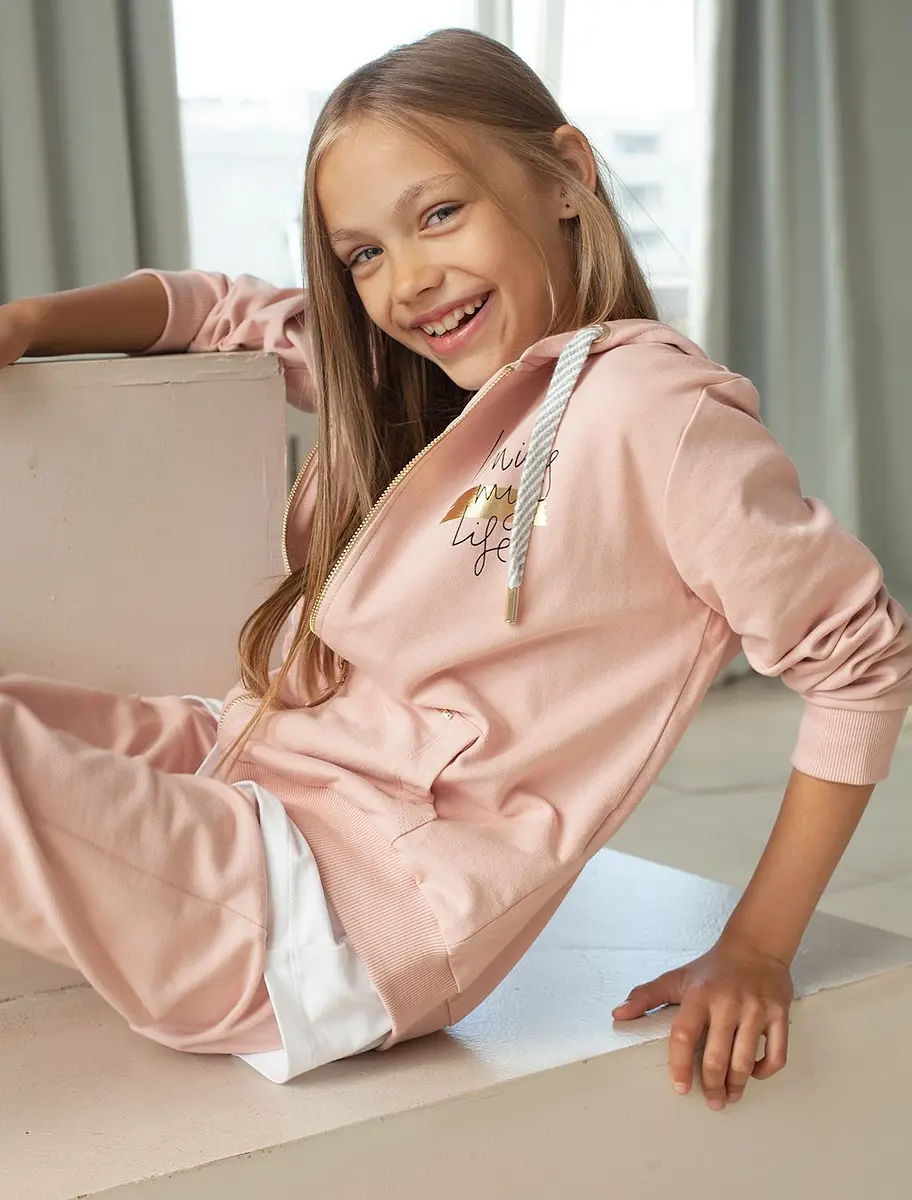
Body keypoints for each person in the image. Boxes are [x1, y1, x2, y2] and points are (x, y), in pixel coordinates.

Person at [1, 28, 909, 1113]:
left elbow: (861, 663)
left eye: (439, 214)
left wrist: (757, 945)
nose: (408, 282)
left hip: (330, 913)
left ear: (566, 177)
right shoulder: (420, 386)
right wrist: (31, 322)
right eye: (364, 254)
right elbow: (222, 308)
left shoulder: (654, 415)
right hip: (246, 769)